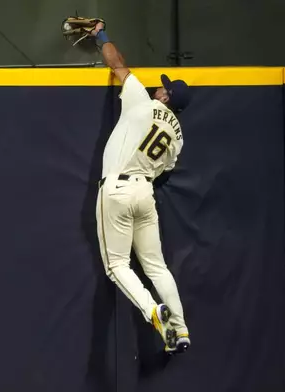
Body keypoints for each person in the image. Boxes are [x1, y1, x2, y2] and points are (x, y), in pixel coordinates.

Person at [90, 22, 191, 354]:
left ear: (166, 96)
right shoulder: (177, 136)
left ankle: (153, 311)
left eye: (163, 89)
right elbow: (165, 169)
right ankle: (180, 326)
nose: (158, 89)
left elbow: (117, 64)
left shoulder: (140, 101)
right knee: (156, 266)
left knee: (117, 265)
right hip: (145, 193)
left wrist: (100, 35)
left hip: (118, 189)